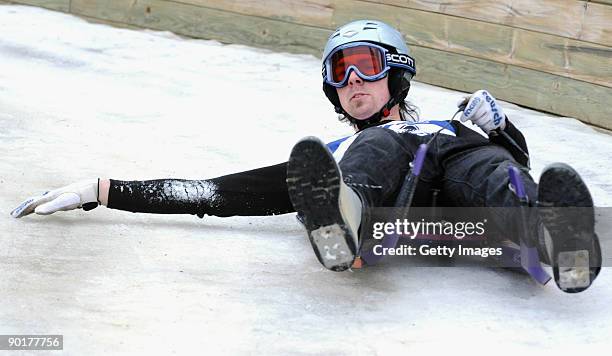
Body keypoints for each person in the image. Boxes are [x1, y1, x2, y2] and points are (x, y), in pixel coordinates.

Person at [11, 20, 600, 293]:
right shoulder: (342, 149)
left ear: (396, 73)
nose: (353, 84)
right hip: (392, 218)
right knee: (374, 146)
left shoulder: (453, 122)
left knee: (488, 164)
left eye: (365, 66)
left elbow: (513, 159)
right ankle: (345, 220)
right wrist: (104, 188)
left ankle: (550, 239)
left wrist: (505, 128)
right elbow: (219, 193)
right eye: (339, 76)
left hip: (478, 223)